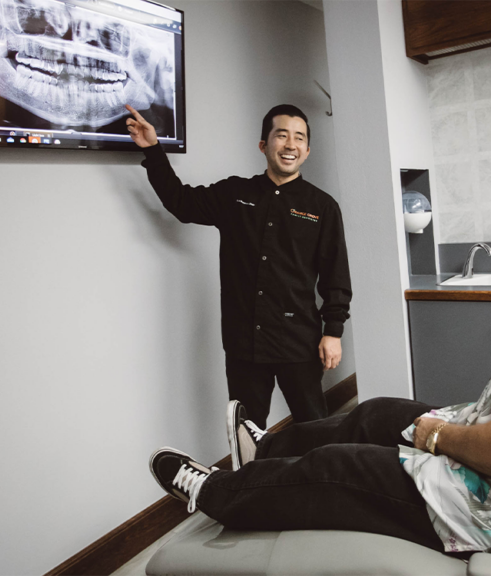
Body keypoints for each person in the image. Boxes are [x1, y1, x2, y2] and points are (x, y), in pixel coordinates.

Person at [148, 134, 491, 575]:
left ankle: (218, 492)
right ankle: (264, 454)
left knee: (344, 465)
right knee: (380, 411)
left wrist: (433, 435)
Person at [125, 104, 352, 429]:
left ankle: (315, 480)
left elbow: (335, 275)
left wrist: (333, 332)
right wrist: (153, 150)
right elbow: (180, 202)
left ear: (307, 149)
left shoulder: (322, 207)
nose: (291, 145)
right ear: (263, 145)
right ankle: (251, 480)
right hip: (244, 341)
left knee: (313, 427)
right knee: (247, 430)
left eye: (299, 138)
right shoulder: (234, 194)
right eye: (281, 135)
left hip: (299, 341)